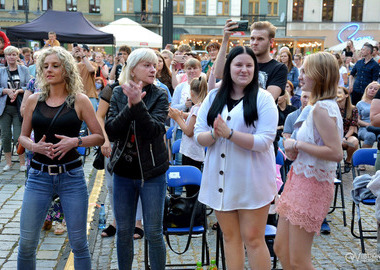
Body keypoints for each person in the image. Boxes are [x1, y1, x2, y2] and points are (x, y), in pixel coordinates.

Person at [17, 46, 104, 269]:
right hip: (38, 177)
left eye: (55, 66)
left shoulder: (80, 100)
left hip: (71, 177)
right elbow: (22, 138)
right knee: (27, 243)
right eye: (45, 66)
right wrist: (36, 147)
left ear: (66, 69)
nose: (49, 70)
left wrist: (75, 141)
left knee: (79, 243)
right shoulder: (34, 100)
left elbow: (99, 137)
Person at [194, 46, 278, 269]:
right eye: (238, 65)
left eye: (249, 65)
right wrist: (214, 134)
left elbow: (264, 141)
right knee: (230, 239)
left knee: (253, 239)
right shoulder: (213, 96)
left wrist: (229, 134)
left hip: (252, 181)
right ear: (229, 67)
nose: (244, 70)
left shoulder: (264, 98)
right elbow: (198, 135)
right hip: (220, 180)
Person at [274, 52, 343, 269]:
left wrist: (297, 145)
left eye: (305, 71)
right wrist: (294, 149)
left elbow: (335, 152)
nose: (300, 75)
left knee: (298, 259)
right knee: (280, 248)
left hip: (312, 186)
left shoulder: (323, 109)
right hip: (299, 180)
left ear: (320, 75)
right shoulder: (316, 106)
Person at [105, 48, 169, 270]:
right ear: (132, 70)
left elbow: (154, 130)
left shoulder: (160, 94)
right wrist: (130, 106)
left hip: (152, 173)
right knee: (124, 231)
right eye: (147, 65)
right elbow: (112, 131)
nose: (153, 69)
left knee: (153, 232)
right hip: (123, 172)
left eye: (154, 65)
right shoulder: (117, 93)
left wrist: (137, 105)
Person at [214, 20, 288, 100]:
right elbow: (218, 74)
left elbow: (267, 100)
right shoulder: (243, 61)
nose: (255, 43)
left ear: (271, 42)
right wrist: (225, 39)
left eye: (260, 39)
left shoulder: (279, 68)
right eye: (252, 38)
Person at [169, 76, 208, 197]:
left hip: (192, 152)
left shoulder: (196, 108)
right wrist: (182, 114)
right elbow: (192, 117)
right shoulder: (201, 106)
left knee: (192, 189)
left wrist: (177, 118)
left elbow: (188, 131)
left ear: (191, 92)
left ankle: (194, 213)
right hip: (194, 151)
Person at [0, 45, 30, 172]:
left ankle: (22, 162)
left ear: (18, 56)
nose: (11, 57)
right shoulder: (1, 71)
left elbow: (30, 86)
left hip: (19, 107)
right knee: (6, 136)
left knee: (19, 136)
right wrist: (5, 91)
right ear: (5, 57)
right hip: (4, 108)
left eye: (14, 54)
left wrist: (18, 91)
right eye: (9, 55)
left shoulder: (24, 70)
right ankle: (8, 162)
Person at [337, 86, 359, 173]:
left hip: (347, 137)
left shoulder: (353, 109)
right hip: (334, 137)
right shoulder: (332, 107)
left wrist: (345, 138)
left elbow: (352, 128)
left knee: (353, 142)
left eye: (339, 93)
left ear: (346, 95)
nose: (337, 95)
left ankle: (348, 160)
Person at [357, 81, 379, 152]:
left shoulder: (378, 104)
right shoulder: (360, 104)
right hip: (364, 128)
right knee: (370, 136)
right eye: (370, 88)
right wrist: (369, 124)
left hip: (378, 128)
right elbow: (357, 120)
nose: (372, 90)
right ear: (366, 89)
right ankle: (363, 159)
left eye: (375, 89)